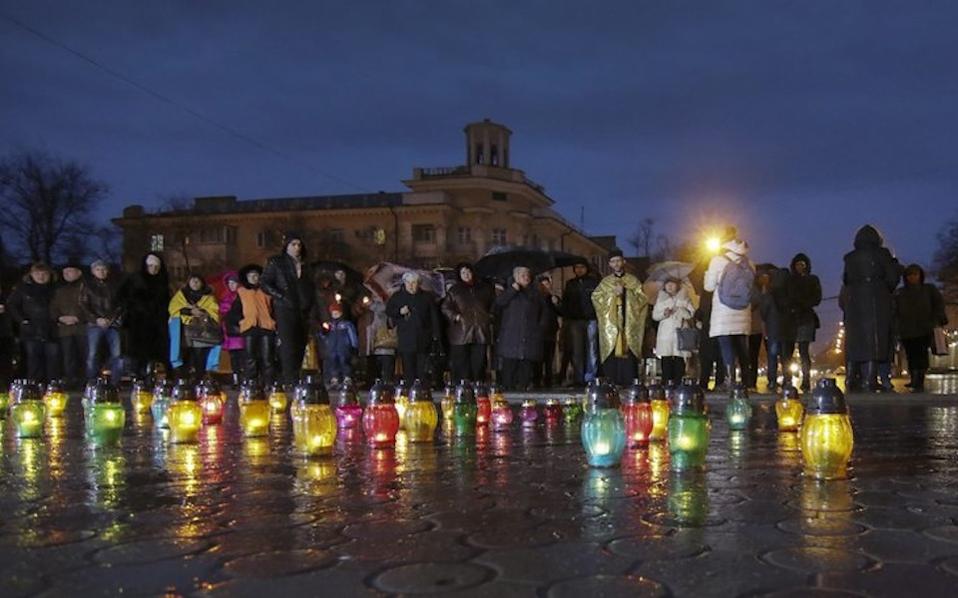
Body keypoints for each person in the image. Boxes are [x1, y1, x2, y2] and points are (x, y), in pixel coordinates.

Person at [842, 225, 901, 392]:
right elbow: (891, 279)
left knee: (856, 339)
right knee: (875, 338)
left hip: (855, 300)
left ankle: (851, 378)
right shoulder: (883, 254)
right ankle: (870, 379)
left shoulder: (849, 258)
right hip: (877, 297)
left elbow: (846, 279)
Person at [261, 232, 314, 385]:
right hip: (285, 307)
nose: (297, 247)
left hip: (303, 307)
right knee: (288, 344)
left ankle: (295, 376)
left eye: (299, 244)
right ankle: (290, 379)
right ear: (287, 246)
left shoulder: (306, 264)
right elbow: (265, 283)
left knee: (301, 343)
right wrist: (281, 296)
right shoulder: (277, 262)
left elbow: (310, 285)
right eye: (293, 244)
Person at [704, 234, 754, 389]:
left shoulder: (718, 261)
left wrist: (707, 274)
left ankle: (730, 379)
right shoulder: (750, 264)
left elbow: (709, 287)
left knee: (726, 345)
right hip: (743, 310)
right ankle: (747, 381)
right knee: (741, 346)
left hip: (723, 309)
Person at [592, 250, 648, 387]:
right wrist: (612, 293)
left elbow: (642, 299)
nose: (616, 264)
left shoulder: (632, 280)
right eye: (613, 261)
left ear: (624, 262)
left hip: (628, 322)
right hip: (611, 322)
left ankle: (629, 380)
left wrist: (626, 293)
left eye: (619, 260)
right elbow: (595, 298)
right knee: (611, 350)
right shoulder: (606, 282)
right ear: (610, 264)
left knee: (627, 349)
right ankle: (611, 381)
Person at [894, 264, 948, 392]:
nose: (912, 277)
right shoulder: (901, 293)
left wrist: (935, 320)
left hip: (924, 328)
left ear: (920, 275)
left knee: (921, 354)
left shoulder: (928, 289)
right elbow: (895, 311)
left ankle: (919, 380)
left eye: (915, 274)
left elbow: (938, 305)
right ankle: (914, 379)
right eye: (910, 275)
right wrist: (897, 326)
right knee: (911, 355)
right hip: (906, 329)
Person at [116, 252, 171, 377]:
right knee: (138, 352)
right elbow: (121, 296)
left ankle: (150, 375)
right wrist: (133, 306)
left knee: (156, 352)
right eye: (151, 266)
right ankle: (138, 376)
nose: (153, 269)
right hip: (137, 322)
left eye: (156, 267)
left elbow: (166, 301)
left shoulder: (162, 281)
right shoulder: (134, 279)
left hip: (157, 323)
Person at [494, 266, 548, 389]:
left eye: (528, 274)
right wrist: (512, 290)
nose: (526, 277)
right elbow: (498, 304)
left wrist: (540, 328)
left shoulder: (535, 293)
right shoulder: (508, 291)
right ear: (516, 277)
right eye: (523, 275)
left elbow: (544, 312)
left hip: (530, 337)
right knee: (509, 372)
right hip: (510, 338)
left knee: (525, 371)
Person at [441, 263, 494, 383]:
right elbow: (445, 307)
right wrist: (456, 316)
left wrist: (489, 316)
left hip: (480, 330)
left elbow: (493, 305)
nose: (466, 275)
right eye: (463, 273)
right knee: (461, 361)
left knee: (479, 361)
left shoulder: (484, 289)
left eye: (468, 272)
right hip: (461, 332)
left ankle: (478, 384)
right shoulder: (455, 290)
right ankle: (462, 384)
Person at [386, 271, 441, 385]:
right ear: (405, 283)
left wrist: (435, 335)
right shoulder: (397, 296)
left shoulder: (427, 297)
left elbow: (434, 317)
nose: (411, 286)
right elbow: (389, 311)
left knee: (423, 369)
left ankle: (423, 392)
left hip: (423, 338)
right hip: (406, 338)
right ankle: (410, 391)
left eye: (414, 283)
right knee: (408, 368)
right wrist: (400, 311)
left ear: (418, 284)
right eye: (409, 283)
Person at [8, 263, 59, 382]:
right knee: (33, 360)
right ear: (31, 275)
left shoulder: (56, 288)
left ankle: (51, 388)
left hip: (52, 330)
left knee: (53, 360)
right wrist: (23, 321)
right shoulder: (22, 288)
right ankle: (33, 387)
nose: (41, 276)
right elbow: (12, 305)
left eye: (44, 274)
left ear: (49, 275)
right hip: (30, 330)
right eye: (37, 274)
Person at [781, 253, 822, 392]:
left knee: (804, 352)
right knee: (788, 352)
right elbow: (784, 298)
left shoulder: (812, 280)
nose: (800, 267)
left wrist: (802, 304)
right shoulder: (789, 281)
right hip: (791, 319)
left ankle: (805, 380)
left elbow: (817, 298)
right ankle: (787, 379)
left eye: (803, 265)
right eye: (798, 264)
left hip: (805, 318)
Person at [231, 264, 276, 385]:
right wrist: (240, 322)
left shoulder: (267, 291)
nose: (253, 278)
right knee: (250, 357)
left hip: (266, 326)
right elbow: (235, 311)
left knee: (268, 358)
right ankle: (252, 382)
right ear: (246, 277)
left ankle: (269, 383)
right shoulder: (242, 292)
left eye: (256, 275)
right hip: (249, 327)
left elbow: (274, 308)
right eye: (250, 276)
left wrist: (274, 321)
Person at [79, 260, 122, 383]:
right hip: (94, 324)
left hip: (112, 324)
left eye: (103, 269)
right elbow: (83, 305)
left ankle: (115, 382)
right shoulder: (87, 285)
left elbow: (119, 305)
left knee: (117, 355)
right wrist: (96, 319)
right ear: (93, 271)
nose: (101, 272)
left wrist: (110, 319)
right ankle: (91, 381)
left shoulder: (114, 286)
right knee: (92, 354)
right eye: (98, 269)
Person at [169, 274, 219, 378]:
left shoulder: (208, 297)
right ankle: (184, 381)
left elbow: (215, 311)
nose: (195, 283)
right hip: (184, 333)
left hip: (201, 334)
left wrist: (201, 312)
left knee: (200, 359)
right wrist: (190, 311)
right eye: (193, 281)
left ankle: (199, 380)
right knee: (185, 357)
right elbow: (173, 308)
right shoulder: (181, 295)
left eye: (198, 281)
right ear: (188, 282)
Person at [561, 262, 599, 387]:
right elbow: (566, 302)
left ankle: (590, 376)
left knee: (591, 349)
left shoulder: (593, 283)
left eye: (582, 267)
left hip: (591, 319)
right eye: (576, 267)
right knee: (577, 350)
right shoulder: (570, 284)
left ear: (587, 268)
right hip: (575, 320)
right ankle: (579, 377)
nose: (579, 270)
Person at [652, 278, 694, 386]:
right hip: (665, 334)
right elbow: (655, 316)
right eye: (667, 284)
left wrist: (680, 309)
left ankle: (678, 381)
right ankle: (666, 382)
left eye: (673, 284)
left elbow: (691, 313)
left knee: (679, 358)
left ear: (677, 286)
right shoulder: (661, 299)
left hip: (680, 333)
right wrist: (664, 313)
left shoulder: (684, 298)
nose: (670, 286)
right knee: (666, 358)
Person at [51, 264, 86, 387]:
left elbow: (89, 306)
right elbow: (54, 308)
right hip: (65, 329)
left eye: (70, 271)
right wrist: (60, 318)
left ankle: (83, 381)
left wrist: (78, 318)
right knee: (68, 357)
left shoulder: (85, 289)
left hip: (82, 328)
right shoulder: (60, 291)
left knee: (83, 356)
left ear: (78, 272)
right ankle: (70, 381)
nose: (66, 274)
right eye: (65, 272)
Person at [759, 268, 790, 391]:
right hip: (787, 329)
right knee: (785, 357)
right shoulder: (788, 294)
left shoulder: (769, 294)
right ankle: (787, 379)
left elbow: (763, 311)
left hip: (773, 329)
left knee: (772, 356)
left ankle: (772, 380)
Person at [360, 295, 396, 384]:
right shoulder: (369, 309)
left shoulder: (381, 308)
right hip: (374, 344)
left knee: (384, 367)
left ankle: (383, 383)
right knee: (376, 366)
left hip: (383, 344)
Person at [219, 271, 246, 386]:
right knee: (234, 358)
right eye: (229, 283)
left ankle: (243, 379)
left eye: (234, 283)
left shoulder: (243, 296)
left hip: (240, 331)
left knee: (243, 357)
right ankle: (236, 379)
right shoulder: (225, 297)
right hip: (229, 333)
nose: (231, 285)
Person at [320, 304, 358, 384]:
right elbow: (324, 337)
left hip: (343, 348)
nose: (335, 314)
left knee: (344, 361)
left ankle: (347, 377)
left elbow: (352, 335)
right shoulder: (330, 325)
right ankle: (335, 377)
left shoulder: (346, 325)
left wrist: (354, 345)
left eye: (337, 313)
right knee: (333, 362)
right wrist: (324, 331)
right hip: (332, 348)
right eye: (333, 313)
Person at [535, 274, 562, 387]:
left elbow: (561, 312)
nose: (545, 287)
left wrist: (557, 303)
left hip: (550, 332)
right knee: (538, 358)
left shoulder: (553, 298)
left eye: (547, 284)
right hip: (538, 333)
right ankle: (537, 380)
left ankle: (549, 381)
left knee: (549, 359)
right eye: (543, 285)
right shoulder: (535, 298)